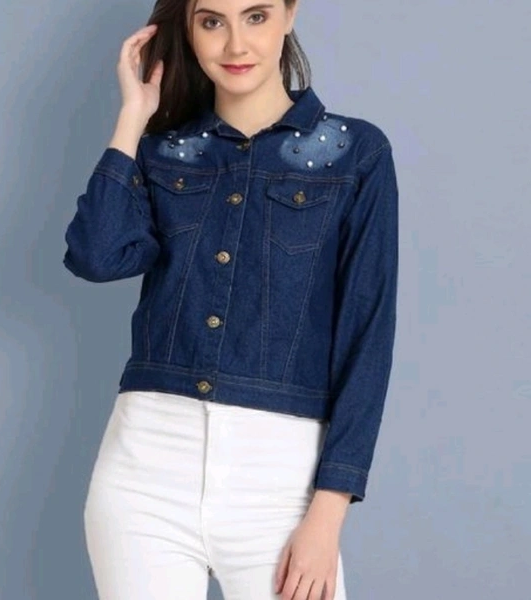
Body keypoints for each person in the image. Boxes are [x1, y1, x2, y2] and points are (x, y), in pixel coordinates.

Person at [62, 0, 399, 598]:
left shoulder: (356, 154)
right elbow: (96, 256)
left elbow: (366, 336)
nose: (235, 44)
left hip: (281, 478)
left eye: (256, 16)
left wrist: (327, 514)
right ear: (189, 30)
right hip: (145, 469)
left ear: (290, 14)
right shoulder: (163, 151)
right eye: (212, 21)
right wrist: (133, 118)